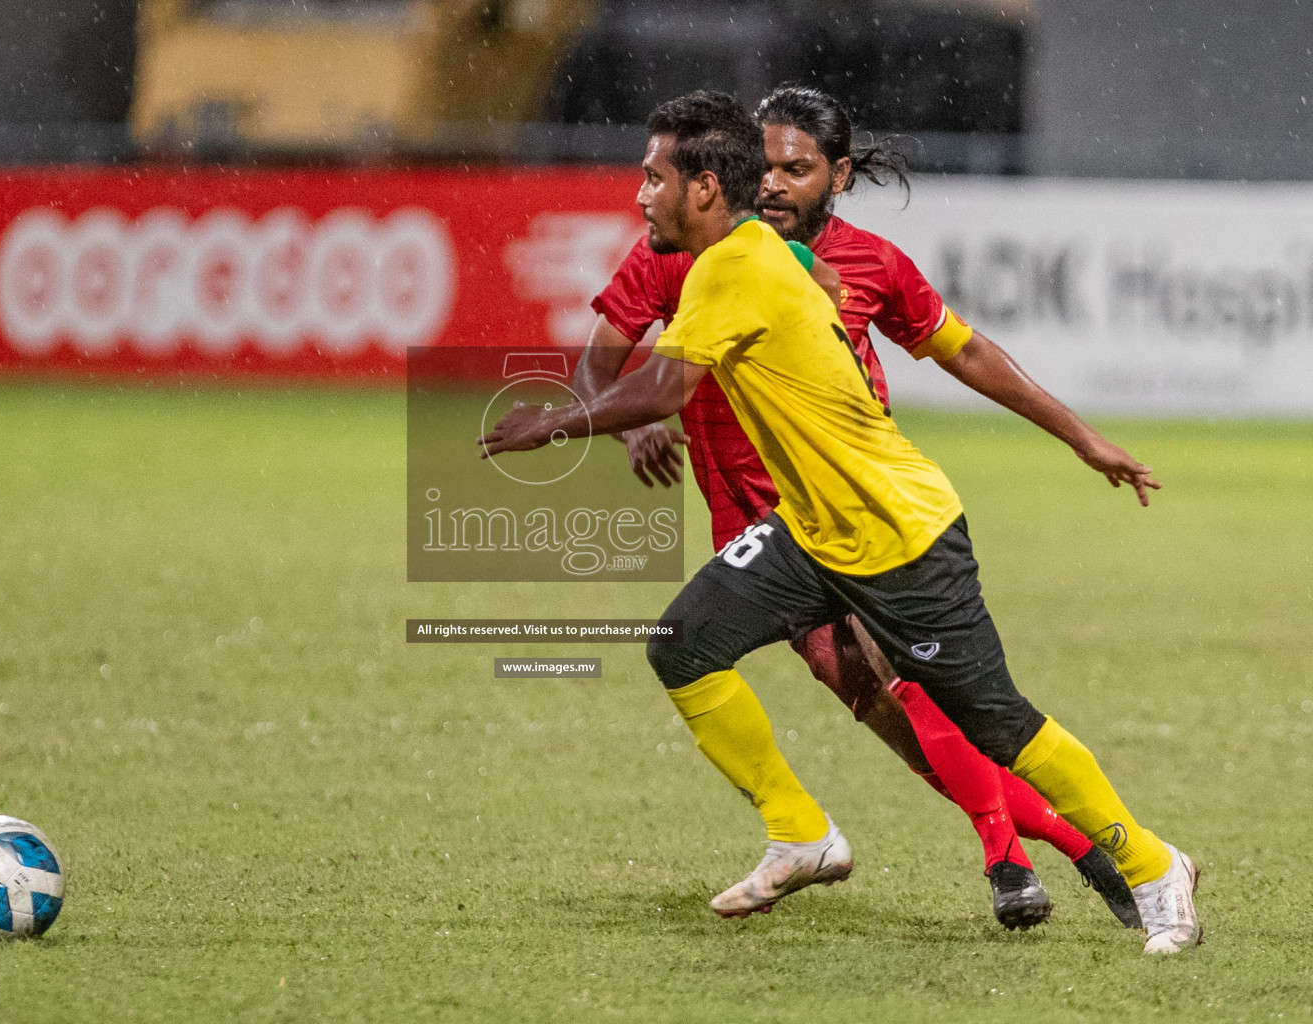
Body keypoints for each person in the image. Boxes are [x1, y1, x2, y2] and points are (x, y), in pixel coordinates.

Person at [480, 91, 1201, 955]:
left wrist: (548, 423)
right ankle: (802, 831)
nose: (639, 196)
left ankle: (1156, 868)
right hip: (810, 531)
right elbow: (738, 312)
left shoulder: (734, 267)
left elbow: (666, 387)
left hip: (902, 538)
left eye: (653, 177)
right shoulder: (758, 250)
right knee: (683, 642)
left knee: (999, 724)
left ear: (705, 188)